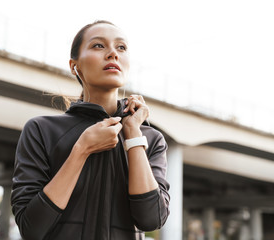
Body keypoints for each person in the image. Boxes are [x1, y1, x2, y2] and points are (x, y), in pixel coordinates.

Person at [11, 20, 170, 240]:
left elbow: (151, 219)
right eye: (98, 45)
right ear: (74, 65)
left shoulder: (150, 139)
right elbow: (32, 228)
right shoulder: (41, 130)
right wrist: (82, 150)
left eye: (121, 48)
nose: (113, 53)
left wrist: (133, 133)